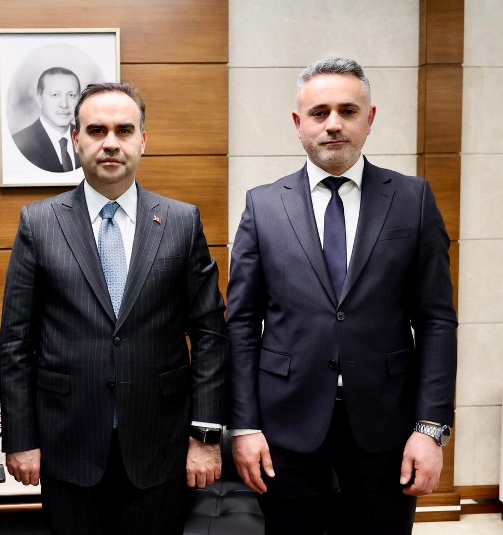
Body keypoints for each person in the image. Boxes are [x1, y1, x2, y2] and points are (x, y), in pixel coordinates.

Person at [226, 57, 458, 535]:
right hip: (284, 426)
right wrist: (244, 426)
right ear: (299, 123)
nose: (333, 124)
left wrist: (430, 429)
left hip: (387, 427)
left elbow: (436, 320)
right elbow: (242, 324)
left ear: (369, 119)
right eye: (319, 113)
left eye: (347, 111)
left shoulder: (413, 200)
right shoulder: (263, 205)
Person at [0, 82, 228, 534]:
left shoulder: (181, 222)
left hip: (160, 447)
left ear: (143, 140)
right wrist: (20, 439)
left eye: (124, 130)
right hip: (68, 446)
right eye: (96, 130)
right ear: (75, 140)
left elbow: (210, 335)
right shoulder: (38, 223)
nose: (110, 143)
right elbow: (15, 344)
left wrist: (205, 436)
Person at [12, 67, 81, 173]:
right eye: (55, 95)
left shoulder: (86, 138)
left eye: (71, 95)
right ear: (40, 100)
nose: (64, 105)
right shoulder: (19, 143)